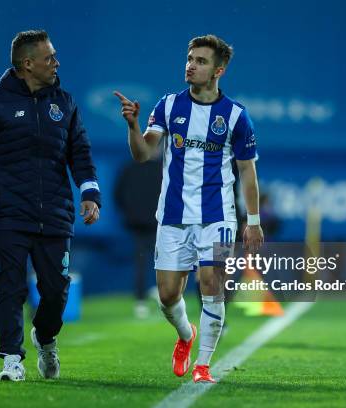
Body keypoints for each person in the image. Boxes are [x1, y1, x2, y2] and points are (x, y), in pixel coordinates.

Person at [0, 30, 101, 382]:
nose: (56, 63)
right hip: (9, 212)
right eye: (49, 58)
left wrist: (90, 193)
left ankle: (45, 338)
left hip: (56, 214)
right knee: (10, 286)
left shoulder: (66, 102)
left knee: (56, 292)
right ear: (27, 64)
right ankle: (12, 359)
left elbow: (81, 153)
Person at [114, 34, 264, 383]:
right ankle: (186, 334)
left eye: (201, 61)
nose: (191, 65)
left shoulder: (236, 116)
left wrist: (253, 221)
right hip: (172, 218)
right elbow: (142, 154)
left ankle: (203, 366)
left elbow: (247, 171)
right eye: (190, 59)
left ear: (218, 71)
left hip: (219, 215)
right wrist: (133, 126)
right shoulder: (168, 106)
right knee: (167, 296)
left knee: (213, 283)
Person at [114, 149, 162, 318]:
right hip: (158, 223)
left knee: (141, 261)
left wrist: (130, 213)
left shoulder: (129, 167)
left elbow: (118, 194)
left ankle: (142, 300)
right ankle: (159, 295)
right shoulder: (164, 168)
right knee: (162, 261)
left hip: (137, 223)